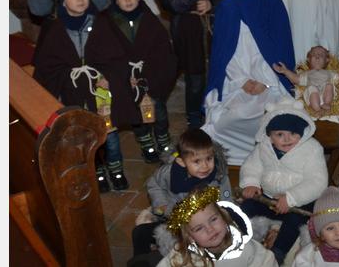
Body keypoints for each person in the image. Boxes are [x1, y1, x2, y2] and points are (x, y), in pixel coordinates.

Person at [33, 0, 128, 192]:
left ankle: (116, 169)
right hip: (73, 93)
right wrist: (63, 82)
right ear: (63, 0)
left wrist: (109, 77)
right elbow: (48, 66)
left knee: (109, 135)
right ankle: (98, 172)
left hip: (101, 93)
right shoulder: (55, 30)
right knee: (84, 138)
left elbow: (117, 57)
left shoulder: (101, 24)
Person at [202, 0, 295, 166]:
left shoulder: (274, 5)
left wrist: (264, 81)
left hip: (270, 81)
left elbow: (280, 51)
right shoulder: (227, 7)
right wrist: (243, 81)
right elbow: (224, 55)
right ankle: (234, 164)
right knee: (226, 121)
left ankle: (271, 163)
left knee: (274, 117)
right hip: (237, 81)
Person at [86, 0, 178, 164]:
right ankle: (147, 144)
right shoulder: (106, 22)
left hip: (150, 77)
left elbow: (163, 52)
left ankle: (163, 140)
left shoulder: (149, 20)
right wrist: (120, 76)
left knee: (158, 110)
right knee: (135, 113)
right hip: (122, 79)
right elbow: (98, 54)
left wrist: (148, 76)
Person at [155, 0, 231, 129]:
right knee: (195, 77)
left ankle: (218, 113)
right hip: (188, 32)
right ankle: (195, 118)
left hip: (214, 30)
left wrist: (211, 4)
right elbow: (168, 2)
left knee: (219, 73)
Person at [238, 98, 328, 264]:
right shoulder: (263, 148)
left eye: (293, 134)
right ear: (269, 136)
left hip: (300, 201)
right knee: (246, 208)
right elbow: (252, 166)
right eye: (280, 134)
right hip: (268, 197)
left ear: (302, 133)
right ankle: (241, 241)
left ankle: (278, 254)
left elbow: (318, 181)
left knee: (294, 223)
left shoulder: (312, 149)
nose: (287, 139)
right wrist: (251, 182)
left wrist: (291, 198)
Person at [131, 128, 232, 259]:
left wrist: (222, 217)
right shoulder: (169, 173)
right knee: (139, 233)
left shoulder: (218, 177)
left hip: (205, 227)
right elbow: (154, 184)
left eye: (209, 158)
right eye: (197, 161)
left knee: (175, 250)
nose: (205, 166)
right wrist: (162, 204)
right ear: (181, 162)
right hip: (172, 220)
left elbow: (228, 204)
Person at [156, 186, 277, 267]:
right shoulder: (182, 254)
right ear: (190, 237)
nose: (210, 229)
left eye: (213, 220)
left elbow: (267, 261)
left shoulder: (245, 248)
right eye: (199, 228)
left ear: (224, 218)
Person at [273, 46, 339, 115]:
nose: (317, 56)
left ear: (327, 60)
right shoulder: (307, 74)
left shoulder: (330, 73)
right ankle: (316, 108)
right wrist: (285, 71)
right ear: (309, 59)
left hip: (325, 94)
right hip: (312, 96)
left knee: (329, 85)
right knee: (311, 88)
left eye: (321, 55)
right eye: (314, 55)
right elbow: (296, 79)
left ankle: (327, 104)